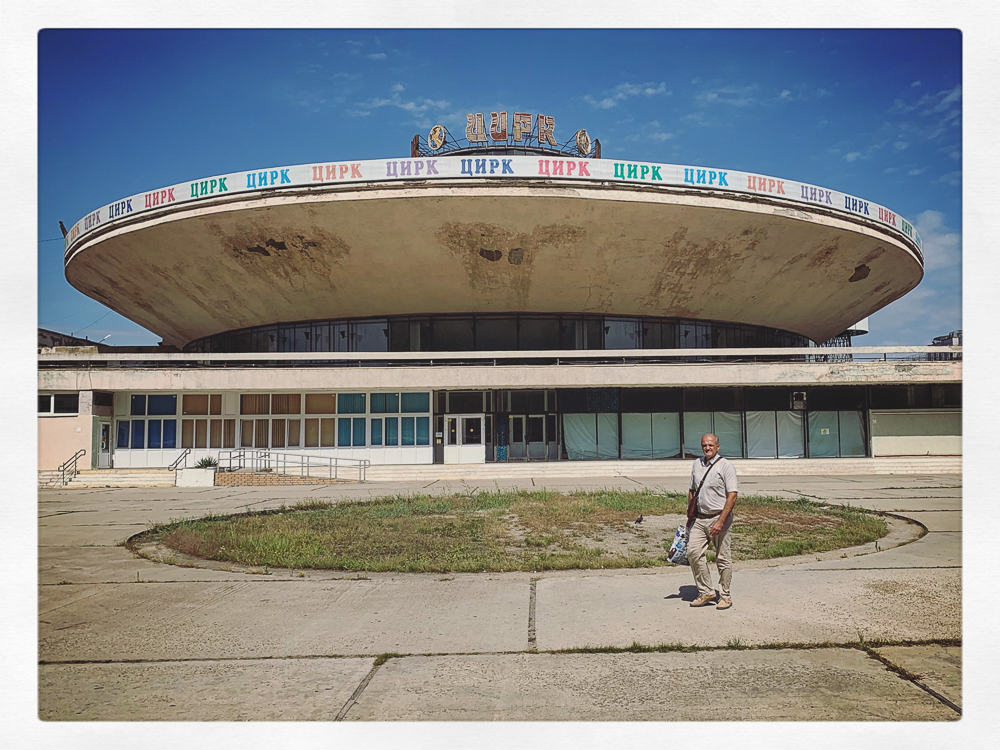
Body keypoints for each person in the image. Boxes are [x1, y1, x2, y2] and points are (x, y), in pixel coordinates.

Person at [686, 433, 738, 609]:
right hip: (700, 519)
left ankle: (725, 596)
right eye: (704, 445)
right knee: (693, 552)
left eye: (710, 445)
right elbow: (692, 490)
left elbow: (732, 495)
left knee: (722, 558)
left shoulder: (725, 466)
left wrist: (720, 521)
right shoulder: (696, 464)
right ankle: (706, 591)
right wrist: (690, 515)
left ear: (717, 446)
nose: (707, 448)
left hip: (719, 517)